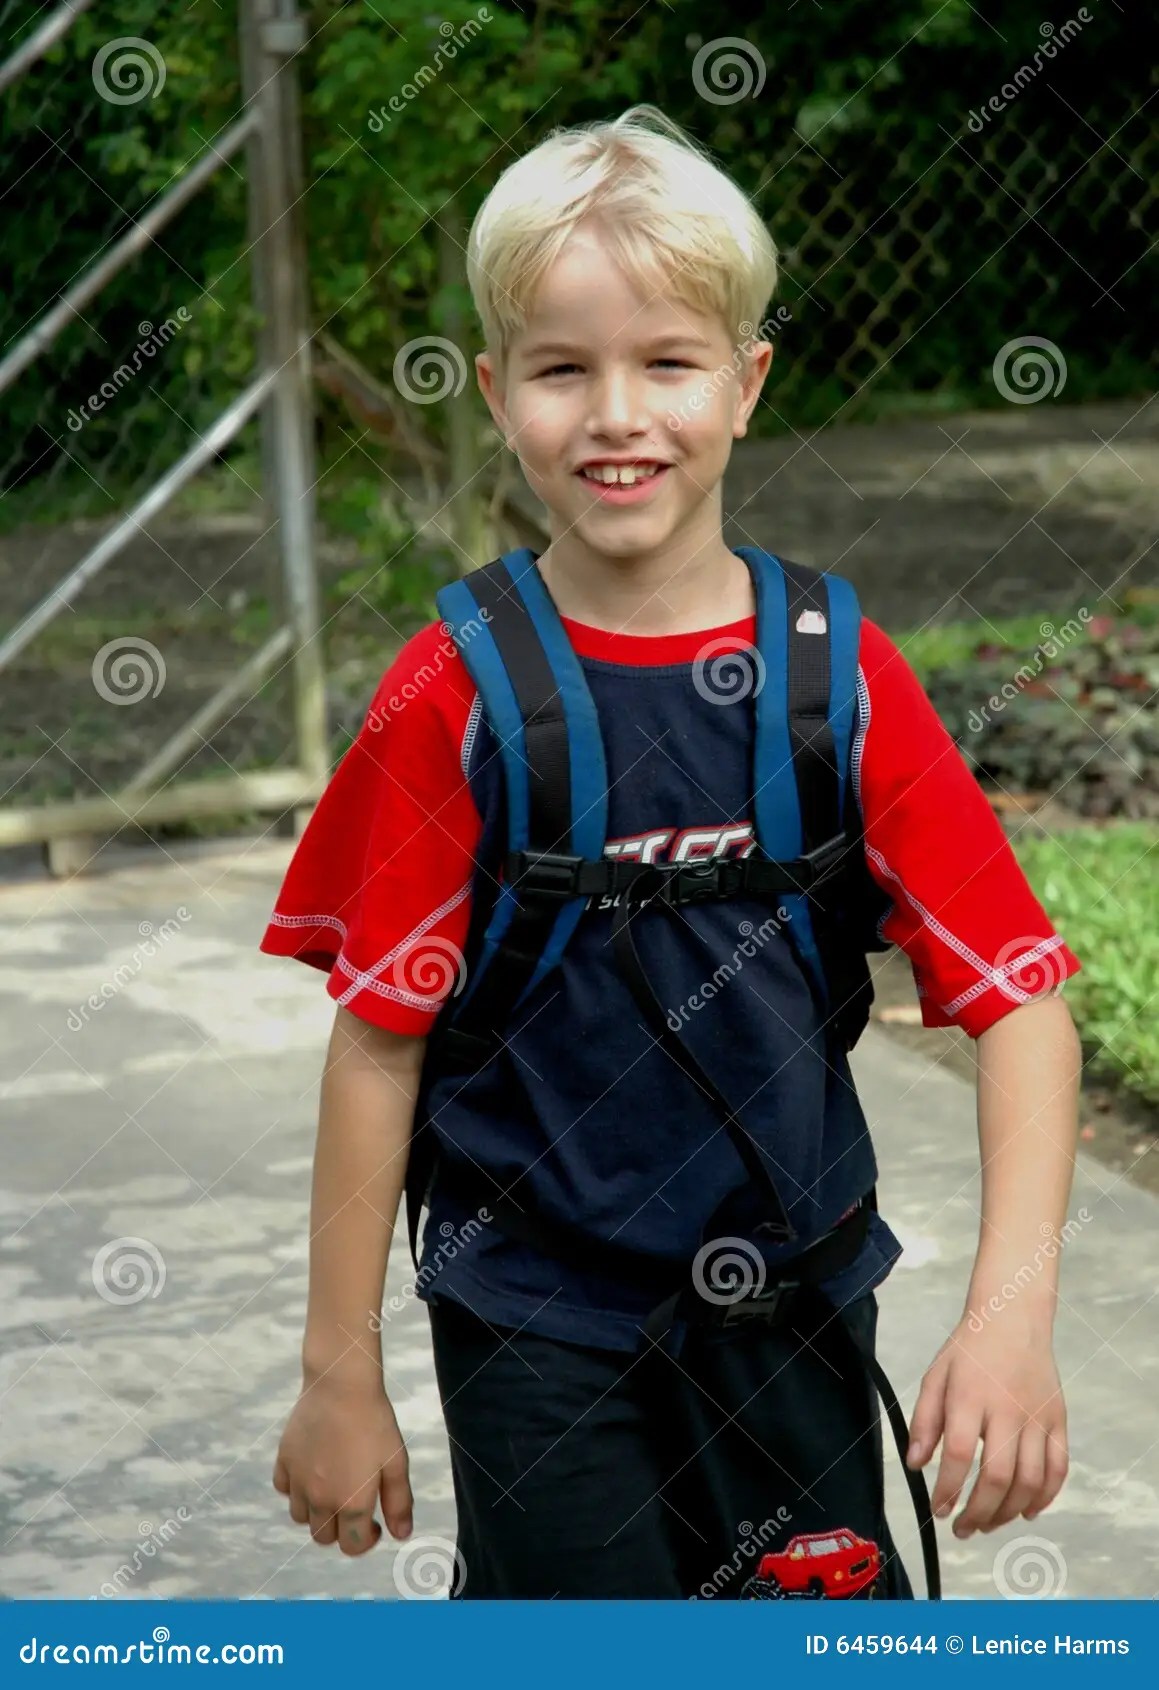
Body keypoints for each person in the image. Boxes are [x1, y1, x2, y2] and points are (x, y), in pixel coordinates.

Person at [261, 105, 1082, 1600]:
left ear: (747, 384)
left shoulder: (840, 675)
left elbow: (1020, 1001)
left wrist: (1010, 1318)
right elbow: (378, 1044)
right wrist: (338, 1374)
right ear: (501, 391)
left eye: (669, 363)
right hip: (534, 1333)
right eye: (565, 369)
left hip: (796, 1319)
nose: (617, 413)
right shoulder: (452, 691)